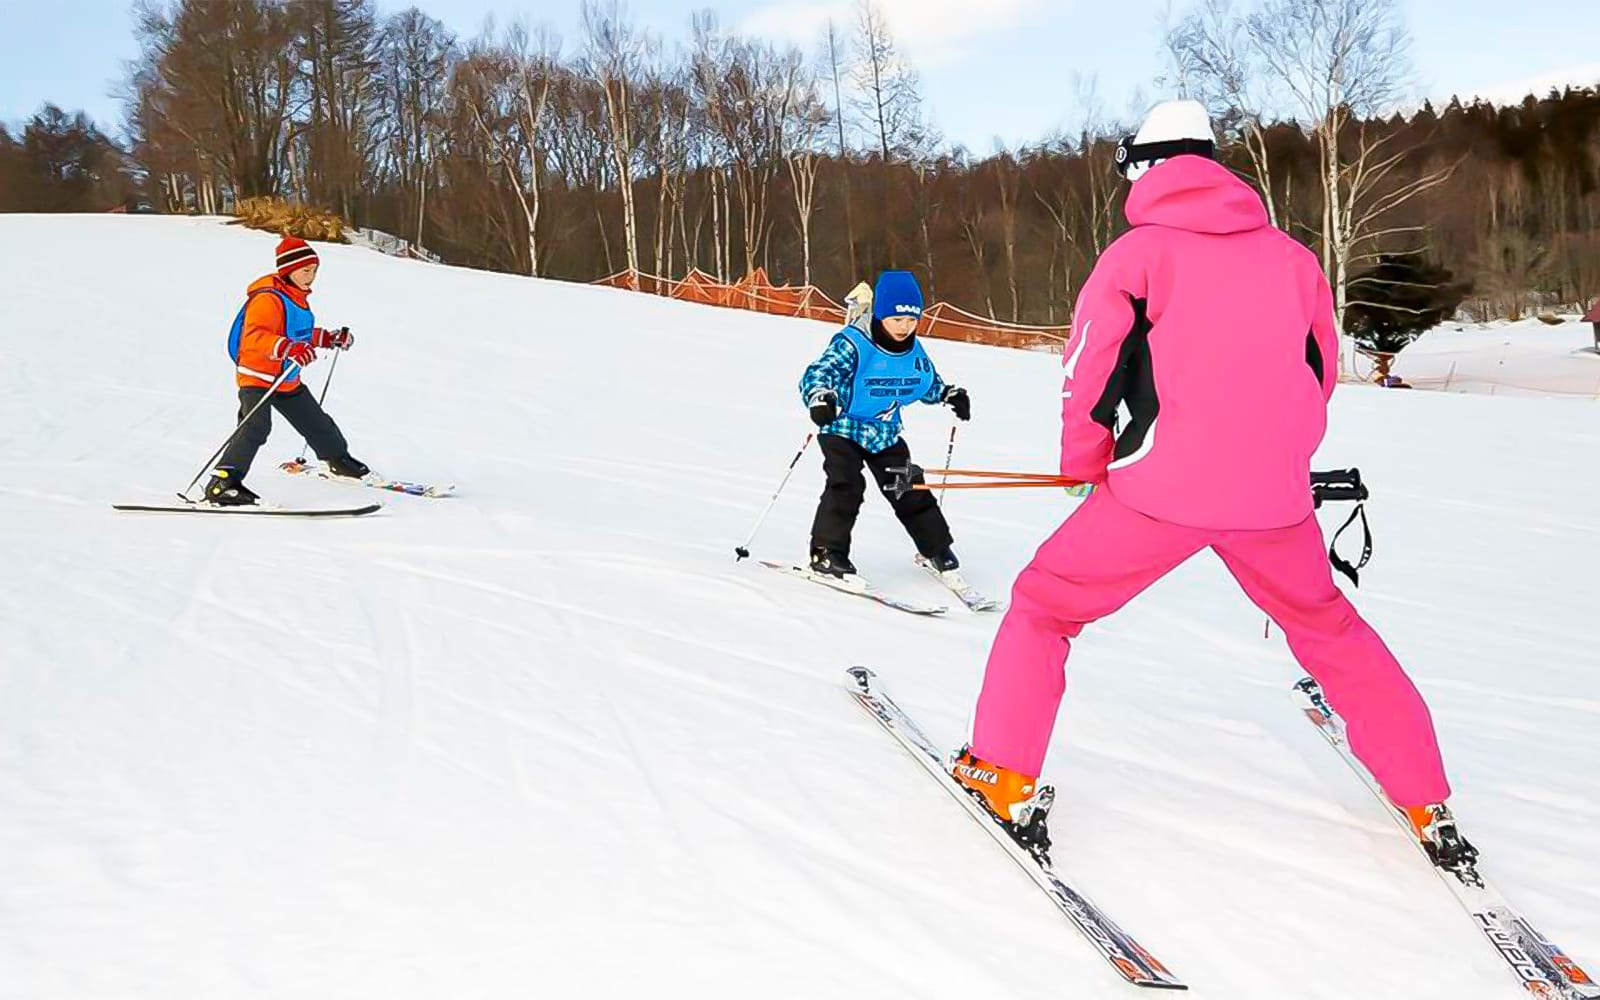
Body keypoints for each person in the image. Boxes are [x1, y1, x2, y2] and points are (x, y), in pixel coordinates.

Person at [951, 101, 1470, 868]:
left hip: (1157, 495)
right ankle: (1426, 796)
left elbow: (1088, 369)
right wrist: (1277, 457)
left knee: (1045, 606)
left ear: (1144, 168)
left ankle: (1001, 772)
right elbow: (1318, 373)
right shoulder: (1293, 260)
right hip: (1274, 501)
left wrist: (1084, 462)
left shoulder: (1137, 255)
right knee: (1329, 629)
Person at [798, 270, 971, 579]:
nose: (905, 327)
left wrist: (948, 394)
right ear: (880, 314)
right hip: (843, 427)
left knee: (908, 485)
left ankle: (936, 549)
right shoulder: (854, 342)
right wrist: (820, 397)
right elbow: (820, 372)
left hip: (884, 432)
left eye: (912, 320)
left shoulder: (912, 350)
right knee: (846, 485)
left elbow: (924, 381)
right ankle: (826, 553)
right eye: (897, 319)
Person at [205, 237, 368, 505]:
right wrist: (287, 348)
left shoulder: (297, 298)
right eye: (306, 270)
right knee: (255, 427)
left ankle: (338, 460)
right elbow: (253, 337)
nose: (311, 277)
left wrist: (328, 338)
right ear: (288, 270)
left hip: (286, 377)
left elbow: (298, 333)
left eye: (314, 270)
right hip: (258, 377)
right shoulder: (267, 298)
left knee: (316, 422)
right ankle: (223, 482)